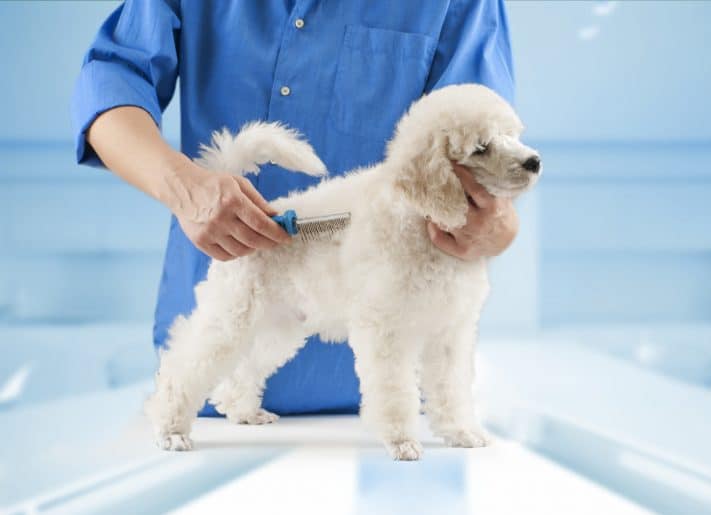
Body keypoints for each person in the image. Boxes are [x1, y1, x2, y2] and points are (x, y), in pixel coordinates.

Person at [71, 0, 519, 416]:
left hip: (393, 414)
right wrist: (183, 185)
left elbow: (483, 137)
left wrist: (495, 223)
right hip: (216, 408)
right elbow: (112, 76)